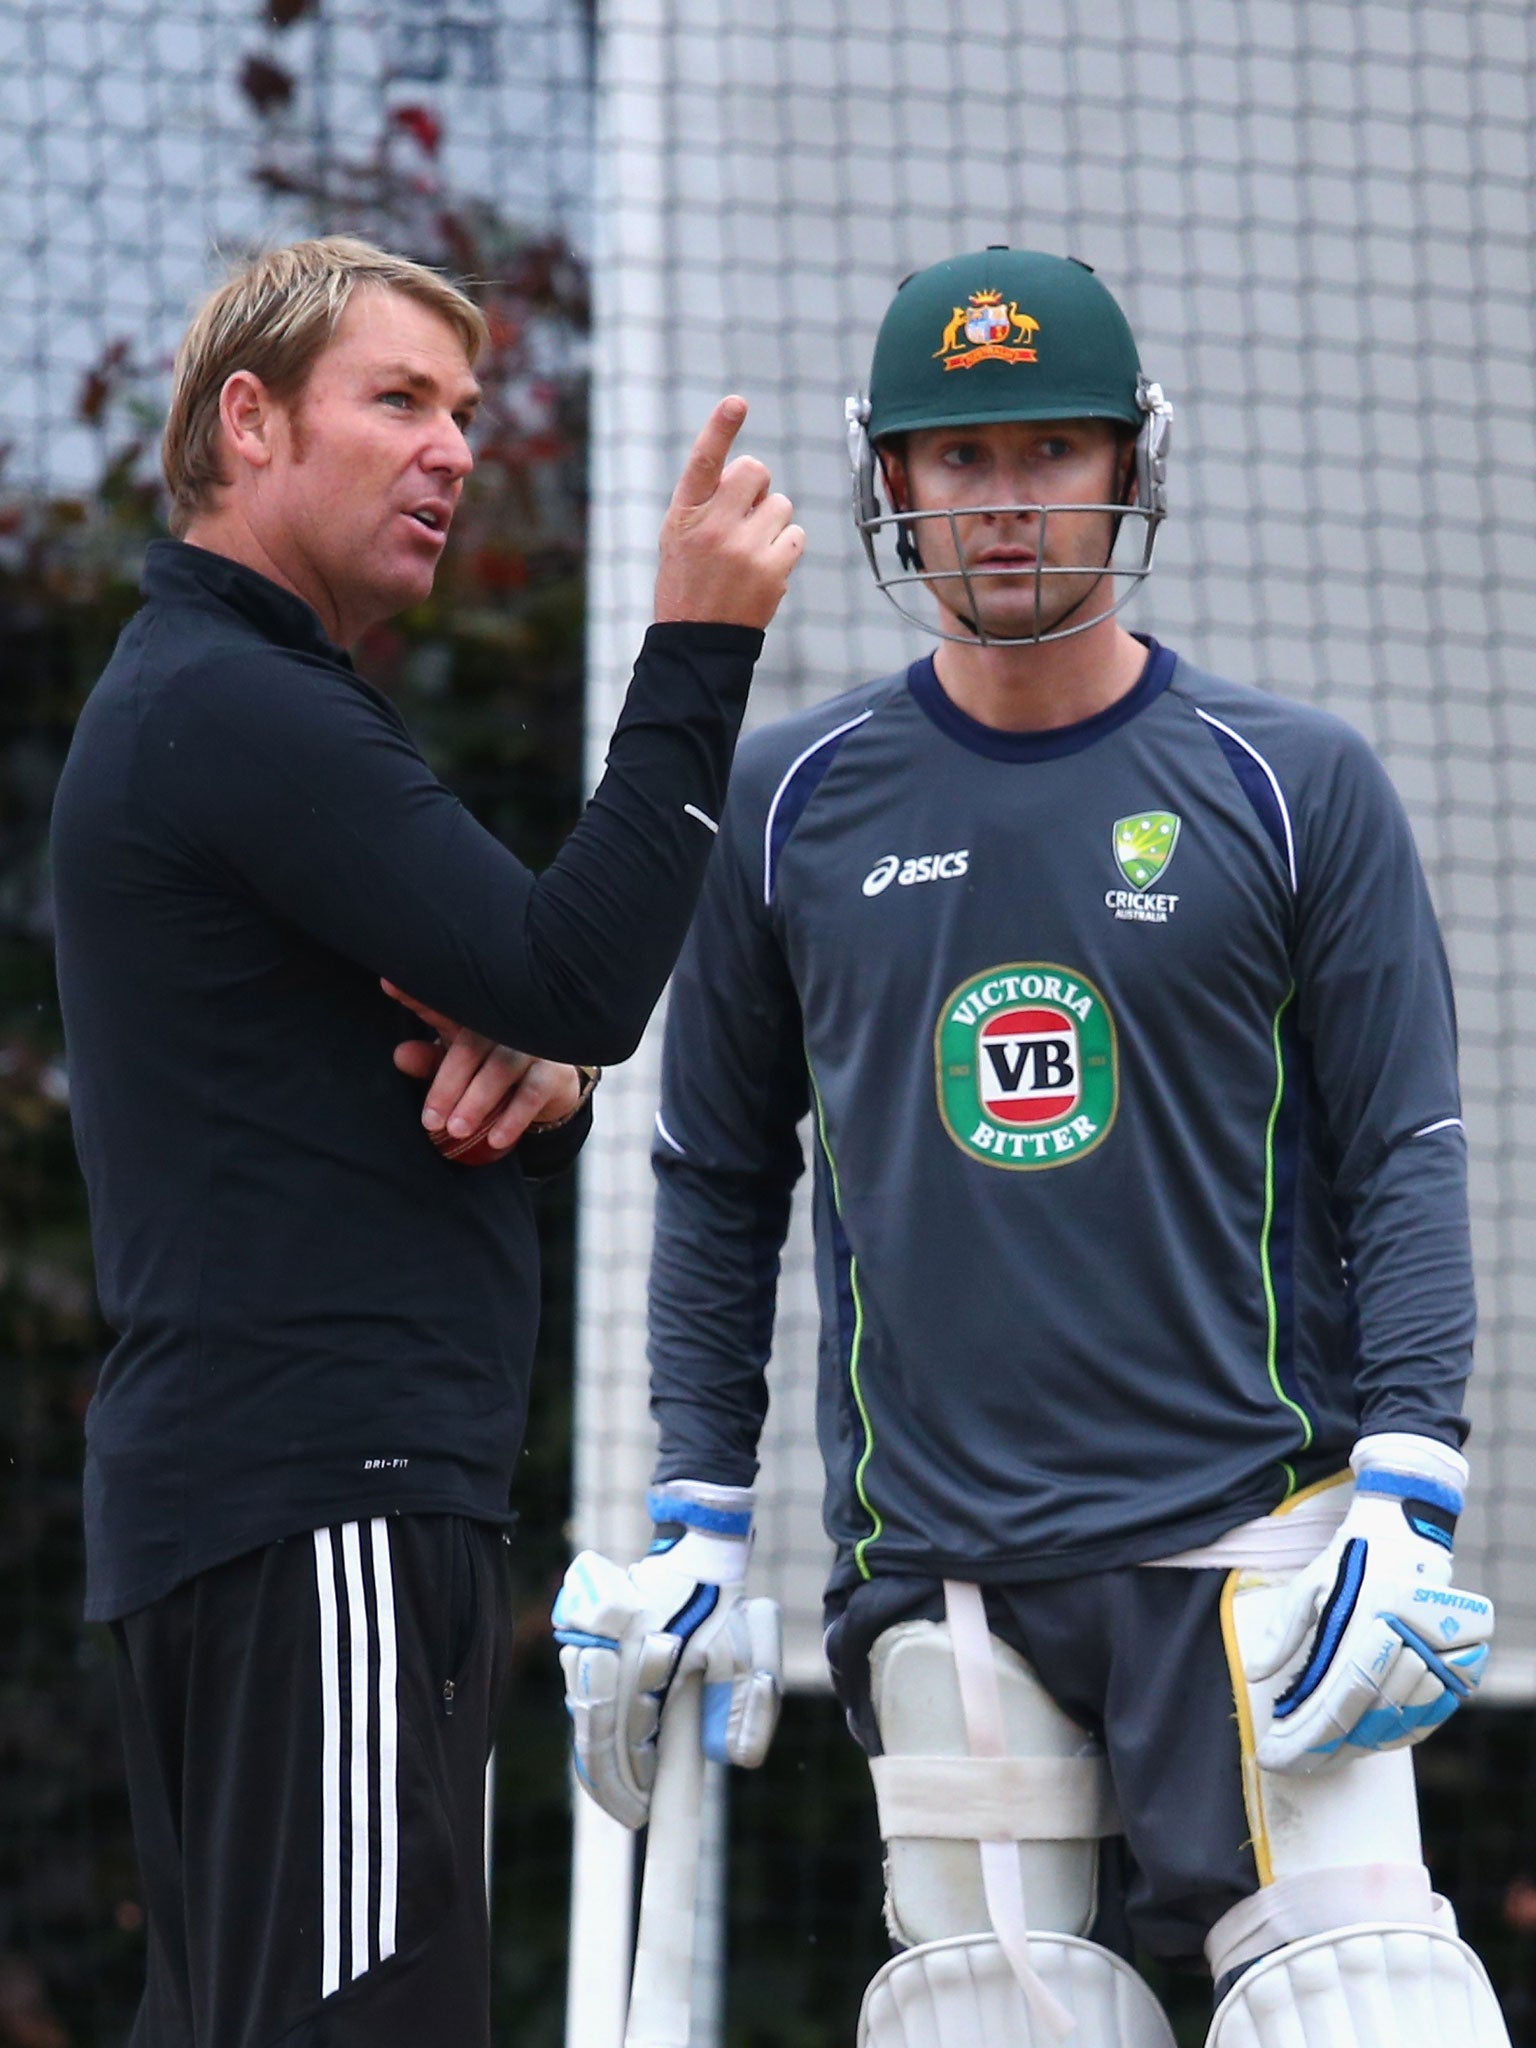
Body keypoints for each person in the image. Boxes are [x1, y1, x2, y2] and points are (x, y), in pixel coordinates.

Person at [554, 249, 1511, 2047]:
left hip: (1267, 1551)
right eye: (960, 457)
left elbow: (1408, 1146)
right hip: (951, 1575)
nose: (1006, 504)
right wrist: (694, 1512)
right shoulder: (789, 804)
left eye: (1050, 451)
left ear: (1132, 466)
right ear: (890, 480)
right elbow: (716, 1181)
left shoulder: (1290, 779)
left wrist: (1411, 1481)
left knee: (1375, 2020)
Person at [51, 234, 803, 2048]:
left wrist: (546, 1087)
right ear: (248, 421)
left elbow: (507, 1021)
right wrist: (700, 640)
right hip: (325, 1508)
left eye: (464, 410)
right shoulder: (236, 706)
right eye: (398, 400)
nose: (456, 447)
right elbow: (576, 968)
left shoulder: (239, 703)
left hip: (299, 1512)